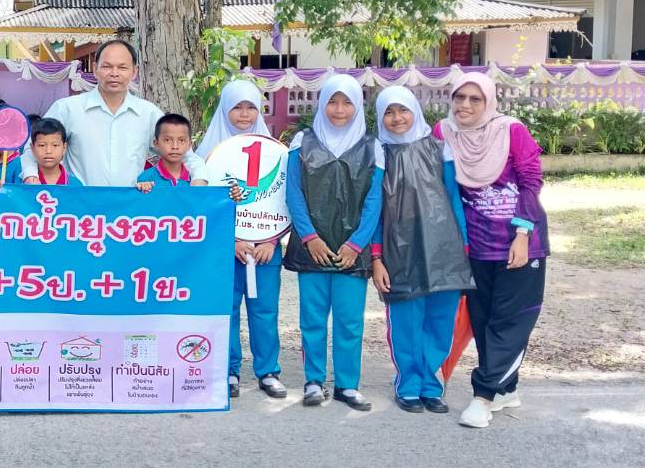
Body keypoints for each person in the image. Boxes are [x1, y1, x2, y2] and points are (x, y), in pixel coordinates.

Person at [437, 76, 549, 430]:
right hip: (475, 245)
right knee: (483, 320)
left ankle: (483, 397)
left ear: (489, 102)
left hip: (520, 242)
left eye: (475, 99)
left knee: (511, 321)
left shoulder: (510, 130)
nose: (465, 105)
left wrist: (522, 234)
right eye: (459, 97)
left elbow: (531, 182)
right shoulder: (444, 133)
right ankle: (506, 389)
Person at [371, 86, 474, 415]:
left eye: (403, 110)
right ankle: (408, 384)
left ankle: (430, 383)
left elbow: (454, 200)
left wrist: (463, 247)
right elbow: (373, 210)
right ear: (380, 117)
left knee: (440, 319)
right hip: (398, 250)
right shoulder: (378, 153)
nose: (397, 118)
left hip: (444, 248)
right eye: (389, 112)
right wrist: (376, 256)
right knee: (406, 320)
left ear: (415, 111)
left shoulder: (439, 149)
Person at [282, 75, 383, 411]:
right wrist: (309, 237)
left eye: (347, 102)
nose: (339, 110)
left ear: (358, 106)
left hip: (352, 250)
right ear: (322, 104)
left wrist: (356, 244)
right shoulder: (302, 141)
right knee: (312, 318)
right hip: (312, 247)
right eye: (332, 102)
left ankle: (347, 385)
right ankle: (313, 381)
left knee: (349, 321)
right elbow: (294, 193)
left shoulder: (373, 147)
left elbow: (374, 201)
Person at [197, 79, 286, 400]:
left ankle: (268, 371)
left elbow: (284, 200)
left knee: (265, 310)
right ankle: (228, 370)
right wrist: (230, 241)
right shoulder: (205, 155)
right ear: (225, 109)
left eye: (251, 107)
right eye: (237, 107)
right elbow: (202, 205)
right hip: (224, 249)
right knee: (227, 310)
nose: (245, 114)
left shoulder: (276, 153)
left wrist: (271, 240)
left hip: (265, 248)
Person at [19, 40, 206, 186]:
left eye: (122, 67)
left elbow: (184, 153)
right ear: (95, 69)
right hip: (80, 210)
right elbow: (31, 147)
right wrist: (30, 176)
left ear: (134, 72)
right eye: (107, 66)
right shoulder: (67, 108)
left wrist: (199, 179)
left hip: (130, 212)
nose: (114, 73)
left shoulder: (148, 113)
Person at [136, 114, 205, 191]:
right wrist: (142, 189)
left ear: (189, 144)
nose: (175, 146)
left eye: (181, 140)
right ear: (156, 143)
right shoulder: (146, 180)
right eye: (167, 140)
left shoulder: (195, 180)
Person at [23, 118, 82, 185]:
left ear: (64, 148)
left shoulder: (75, 185)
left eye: (55, 145)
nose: (48, 151)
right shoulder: (24, 182)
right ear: (32, 148)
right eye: (42, 145)